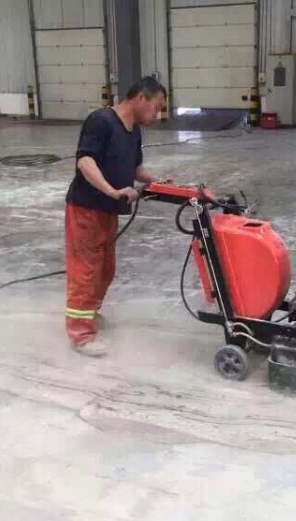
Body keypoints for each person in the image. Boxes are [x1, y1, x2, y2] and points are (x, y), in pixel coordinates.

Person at [64, 76, 168, 356]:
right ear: (141, 98)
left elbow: (136, 170)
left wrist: (159, 183)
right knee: (86, 270)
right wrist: (112, 191)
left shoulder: (133, 131)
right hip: (86, 208)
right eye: (156, 107)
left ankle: (88, 313)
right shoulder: (101, 121)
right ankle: (80, 334)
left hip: (108, 210)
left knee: (105, 270)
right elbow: (85, 161)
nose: (157, 114)